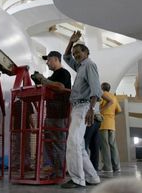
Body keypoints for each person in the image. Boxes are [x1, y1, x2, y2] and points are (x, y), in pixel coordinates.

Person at [60, 31, 102, 188]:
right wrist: (71, 42)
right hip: (78, 107)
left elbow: (96, 89)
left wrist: (91, 109)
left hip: (84, 107)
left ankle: (78, 179)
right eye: (75, 53)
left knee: (73, 143)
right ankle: (92, 177)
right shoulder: (80, 67)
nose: (76, 55)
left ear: (87, 52)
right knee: (79, 146)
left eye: (79, 52)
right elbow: (66, 57)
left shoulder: (89, 65)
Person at [31, 51, 71, 178]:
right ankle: (56, 170)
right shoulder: (53, 76)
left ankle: (60, 172)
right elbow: (49, 85)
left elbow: (60, 87)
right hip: (50, 114)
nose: (47, 63)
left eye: (48, 60)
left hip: (60, 115)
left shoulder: (64, 73)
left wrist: (43, 79)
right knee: (49, 144)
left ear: (55, 59)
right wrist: (39, 81)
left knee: (58, 143)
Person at [84, 88, 113, 171]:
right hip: (97, 119)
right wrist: (100, 111)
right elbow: (110, 101)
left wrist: (99, 110)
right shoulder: (97, 89)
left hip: (90, 118)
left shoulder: (88, 88)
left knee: (85, 144)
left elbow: (110, 101)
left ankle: (86, 168)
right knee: (94, 146)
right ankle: (94, 168)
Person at [99, 82, 121, 173]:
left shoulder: (102, 95)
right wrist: (112, 115)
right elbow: (119, 110)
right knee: (113, 145)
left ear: (102, 88)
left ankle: (108, 167)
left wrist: (102, 111)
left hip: (103, 123)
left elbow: (97, 107)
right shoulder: (114, 97)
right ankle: (117, 167)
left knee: (105, 146)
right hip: (112, 124)